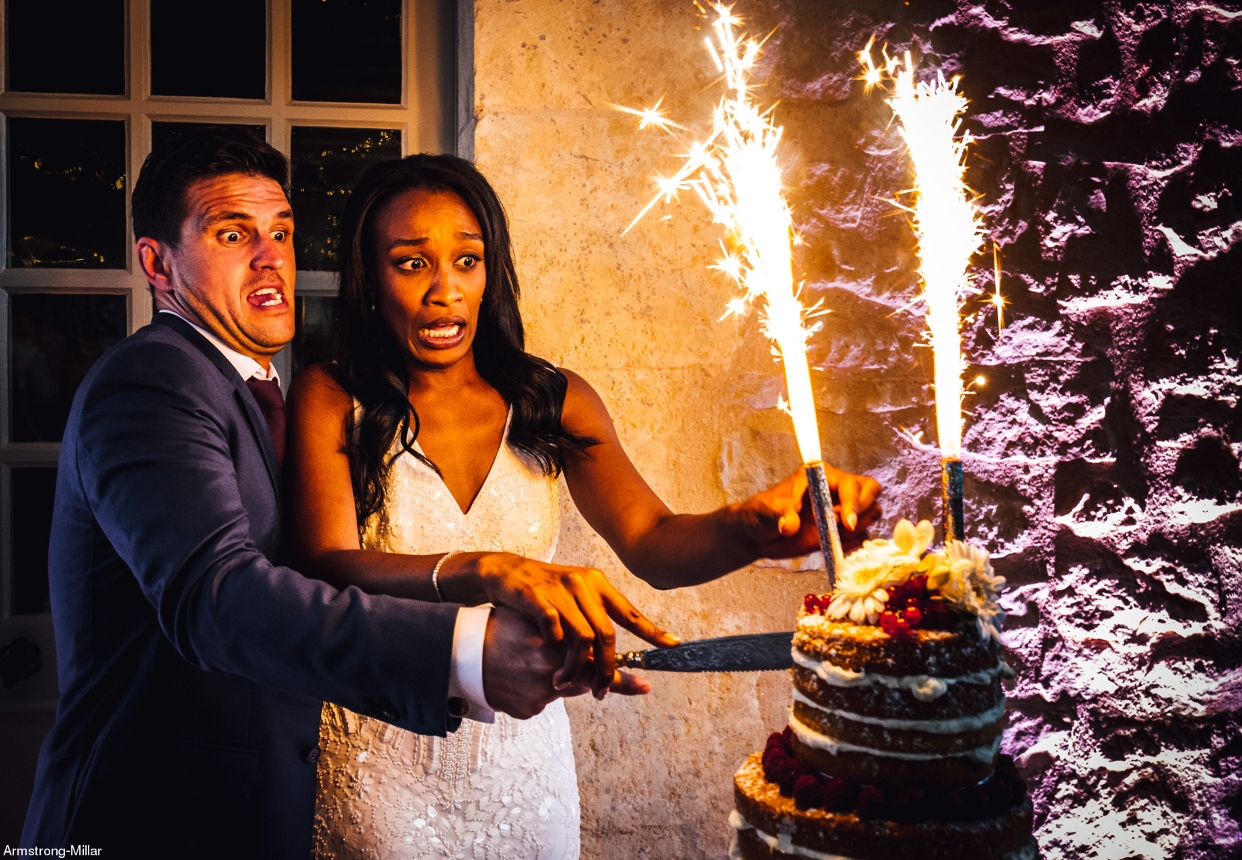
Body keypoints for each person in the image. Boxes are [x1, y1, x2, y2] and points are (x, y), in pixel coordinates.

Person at [21, 129, 662, 860]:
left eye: (283, 233)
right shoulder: (153, 381)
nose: (271, 257)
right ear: (156, 264)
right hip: (156, 818)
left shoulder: (259, 393)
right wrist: (465, 647)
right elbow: (218, 595)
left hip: (267, 811)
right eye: (233, 234)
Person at [283, 154, 883, 859]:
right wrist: (484, 568)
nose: (445, 292)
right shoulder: (331, 395)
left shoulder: (555, 398)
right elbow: (322, 565)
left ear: (491, 270)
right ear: (371, 279)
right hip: (387, 754)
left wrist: (747, 528)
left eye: (467, 260)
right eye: (412, 264)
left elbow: (653, 540)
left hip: (526, 765)